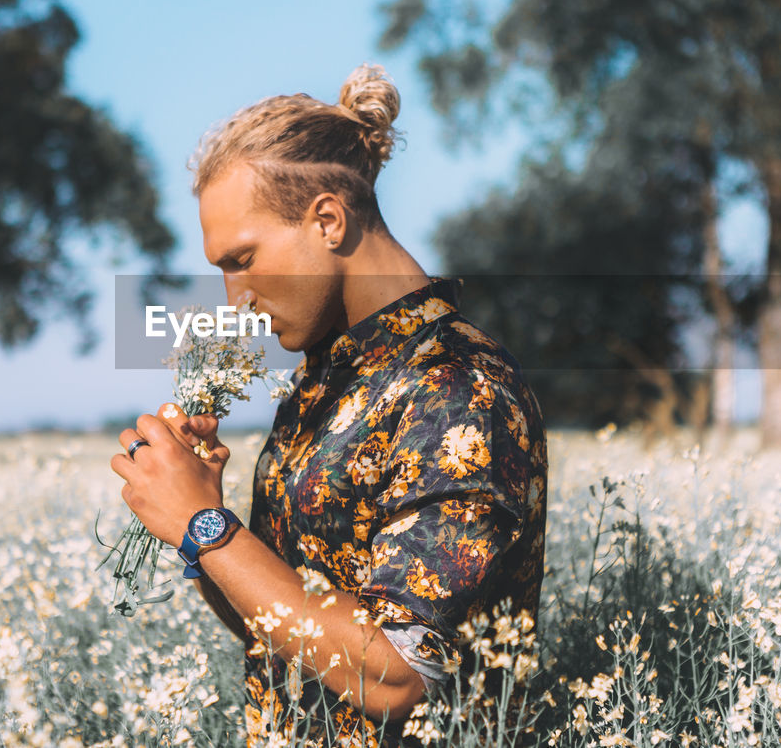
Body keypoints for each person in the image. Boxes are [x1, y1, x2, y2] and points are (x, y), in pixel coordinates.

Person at [109, 64, 547, 746]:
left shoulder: (457, 386)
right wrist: (203, 524)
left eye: (243, 259)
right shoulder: (324, 383)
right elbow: (287, 634)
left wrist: (206, 526)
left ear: (327, 220)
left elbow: (399, 675)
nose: (235, 300)